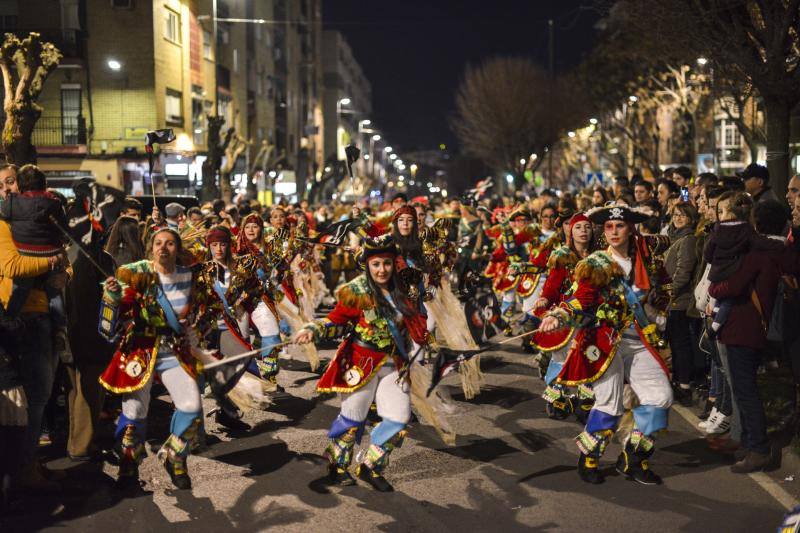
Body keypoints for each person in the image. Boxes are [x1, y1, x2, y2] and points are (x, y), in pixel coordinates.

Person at [538, 204, 672, 486]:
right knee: (609, 404)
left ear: (630, 228)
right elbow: (581, 297)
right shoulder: (597, 263)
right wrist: (559, 315)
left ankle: (633, 457)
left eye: (619, 226)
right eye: (608, 226)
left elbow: (664, 288)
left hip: (639, 341)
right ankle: (589, 457)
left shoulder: (647, 257)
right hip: (605, 341)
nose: (613, 231)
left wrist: (659, 311)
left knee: (660, 397)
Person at [294, 238, 429, 492]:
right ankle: (337, 465)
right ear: (367, 265)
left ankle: (371, 466)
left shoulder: (404, 289)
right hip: (360, 362)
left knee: (399, 419)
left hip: (395, 363)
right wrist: (313, 328)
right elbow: (334, 319)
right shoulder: (356, 291)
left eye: (387, 263)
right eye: (376, 264)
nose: (382, 270)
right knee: (352, 419)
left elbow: (417, 322)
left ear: (394, 263)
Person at [99, 228, 203, 489]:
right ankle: (128, 466)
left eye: (169, 243)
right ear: (151, 248)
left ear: (178, 249)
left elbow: (200, 312)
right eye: (158, 243)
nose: (163, 248)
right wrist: (113, 296)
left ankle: (174, 457)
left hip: (173, 351)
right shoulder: (135, 273)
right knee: (134, 411)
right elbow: (113, 317)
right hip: (141, 350)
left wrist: (193, 332)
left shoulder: (189, 276)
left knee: (191, 406)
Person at [0, 164, 68, 349]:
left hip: (39, 315)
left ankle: (59, 331)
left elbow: (66, 262)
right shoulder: (52, 203)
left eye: (10, 182)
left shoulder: (11, 208)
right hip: (20, 315)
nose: (5, 189)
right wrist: (52, 260)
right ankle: (61, 329)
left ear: (21, 184)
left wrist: (65, 274)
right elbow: (12, 267)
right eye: (0, 186)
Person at [663, 202, 700, 406]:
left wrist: (668, 292)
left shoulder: (688, 239)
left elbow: (683, 272)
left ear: (691, 219)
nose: (677, 218)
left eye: (682, 215)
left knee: (681, 344)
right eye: (675, 214)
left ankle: (684, 385)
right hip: (672, 300)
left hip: (679, 301)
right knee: (675, 344)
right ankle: (678, 381)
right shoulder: (674, 237)